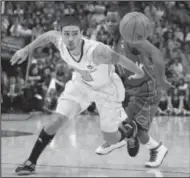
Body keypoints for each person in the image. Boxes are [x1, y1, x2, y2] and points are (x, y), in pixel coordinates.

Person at [11, 15, 144, 175]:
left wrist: (139, 72)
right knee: (56, 120)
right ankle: (30, 162)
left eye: (75, 33)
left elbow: (120, 59)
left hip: (106, 89)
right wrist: (26, 49)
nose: (71, 38)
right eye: (66, 34)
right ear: (61, 33)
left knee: (111, 139)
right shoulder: (59, 41)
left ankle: (130, 130)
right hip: (81, 84)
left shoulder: (97, 51)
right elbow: (47, 36)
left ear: (82, 33)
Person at [95, 8, 173, 168]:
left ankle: (118, 140)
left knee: (133, 127)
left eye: (113, 21)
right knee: (135, 129)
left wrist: (162, 80)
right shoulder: (112, 42)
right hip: (131, 91)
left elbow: (156, 54)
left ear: (122, 22)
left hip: (147, 90)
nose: (110, 24)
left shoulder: (131, 37)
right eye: (107, 21)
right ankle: (150, 147)